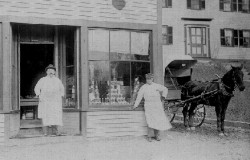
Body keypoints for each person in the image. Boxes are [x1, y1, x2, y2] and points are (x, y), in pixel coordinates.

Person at [132, 73, 172, 142]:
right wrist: (135, 105)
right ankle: (150, 136)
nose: (149, 80)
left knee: (157, 120)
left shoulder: (156, 86)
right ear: (146, 79)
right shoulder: (143, 87)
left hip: (157, 105)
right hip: (148, 105)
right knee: (150, 120)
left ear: (152, 79)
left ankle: (157, 136)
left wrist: (163, 97)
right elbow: (139, 97)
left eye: (150, 79)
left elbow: (165, 89)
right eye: (147, 79)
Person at [34, 64, 65, 136]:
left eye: (52, 70)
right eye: (49, 70)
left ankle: (57, 132)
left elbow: (62, 89)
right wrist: (39, 95)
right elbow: (37, 88)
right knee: (46, 116)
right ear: (46, 72)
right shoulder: (43, 80)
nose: (50, 72)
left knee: (56, 116)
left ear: (54, 72)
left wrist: (60, 96)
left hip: (55, 102)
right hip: (46, 101)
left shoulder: (57, 80)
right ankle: (45, 132)